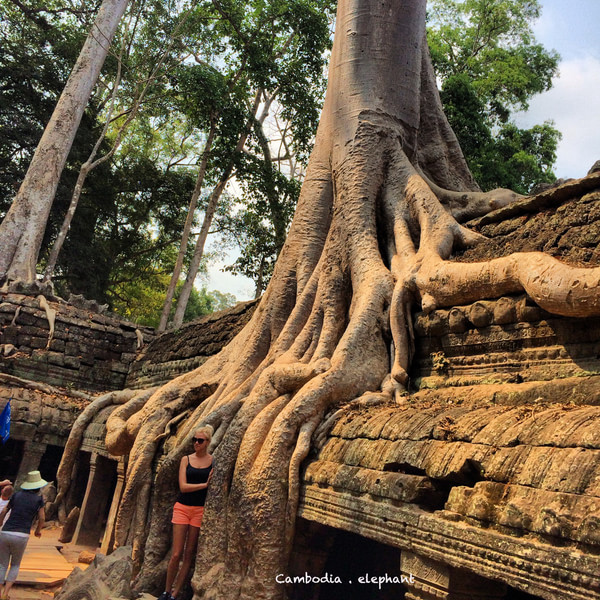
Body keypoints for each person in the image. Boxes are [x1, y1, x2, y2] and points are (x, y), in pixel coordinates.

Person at [157, 425, 214, 600]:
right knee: (176, 554)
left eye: (200, 440)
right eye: (194, 440)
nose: (196, 443)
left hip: (199, 510)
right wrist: (204, 485)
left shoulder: (213, 461)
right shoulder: (185, 460)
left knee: (189, 554)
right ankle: (166, 591)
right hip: (182, 508)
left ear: (207, 442)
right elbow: (183, 487)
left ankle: (175, 594)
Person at [0, 471, 46, 599]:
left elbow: (4, 510)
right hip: (22, 535)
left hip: (6, 531)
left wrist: (0, 522)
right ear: (37, 486)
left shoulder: (16, 495)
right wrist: (38, 531)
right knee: (15, 564)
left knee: (2, 564)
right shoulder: (39, 499)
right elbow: (42, 518)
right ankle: (5, 594)